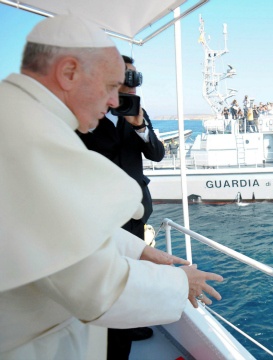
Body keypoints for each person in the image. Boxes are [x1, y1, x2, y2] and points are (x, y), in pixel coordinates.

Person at [0, 15, 223, 360]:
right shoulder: (29, 139)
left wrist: (139, 251)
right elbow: (96, 288)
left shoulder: (21, 118)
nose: (116, 102)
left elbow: (58, 225)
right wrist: (183, 283)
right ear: (69, 73)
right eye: (109, 86)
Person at [76, 55, 165, 356]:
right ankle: (113, 343)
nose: (131, 85)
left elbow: (157, 154)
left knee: (133, 276)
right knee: (109, 280)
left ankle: (129, 323)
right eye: (126, 78)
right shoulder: (85, 114)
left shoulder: (138, 112)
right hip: (102, 214)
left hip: (137, 212)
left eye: (135, 79)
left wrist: (139, 124)